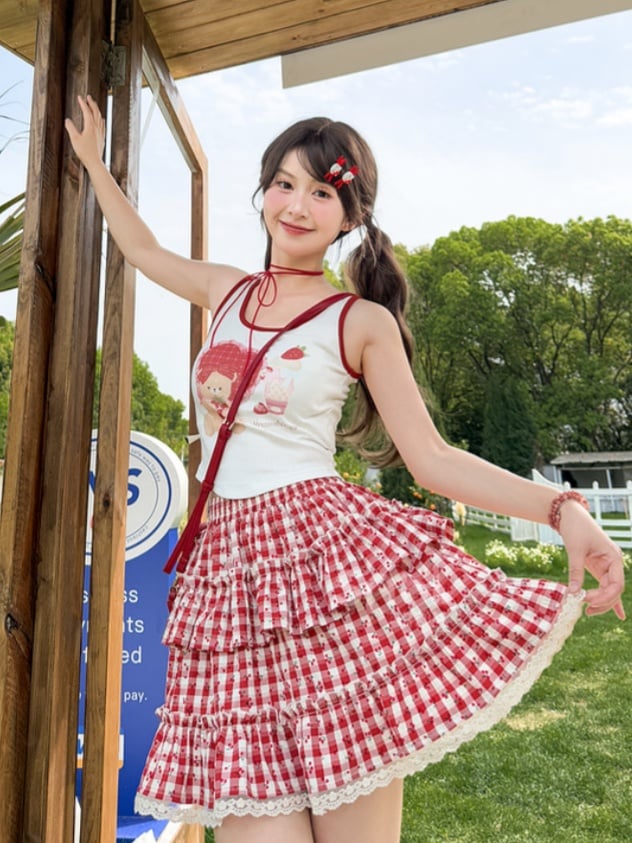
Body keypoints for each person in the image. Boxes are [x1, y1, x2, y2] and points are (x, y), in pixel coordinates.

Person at [66, 95, 625, 843]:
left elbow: (433, 459)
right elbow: (142, 248)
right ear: (263, 191)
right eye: (284, 184)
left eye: (321, 192)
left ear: (349, 215)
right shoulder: (224, 290)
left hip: (323, 579)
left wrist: (564, 511)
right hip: (230, 592)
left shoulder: (358, 320)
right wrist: (97, 166)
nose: (297, 206)